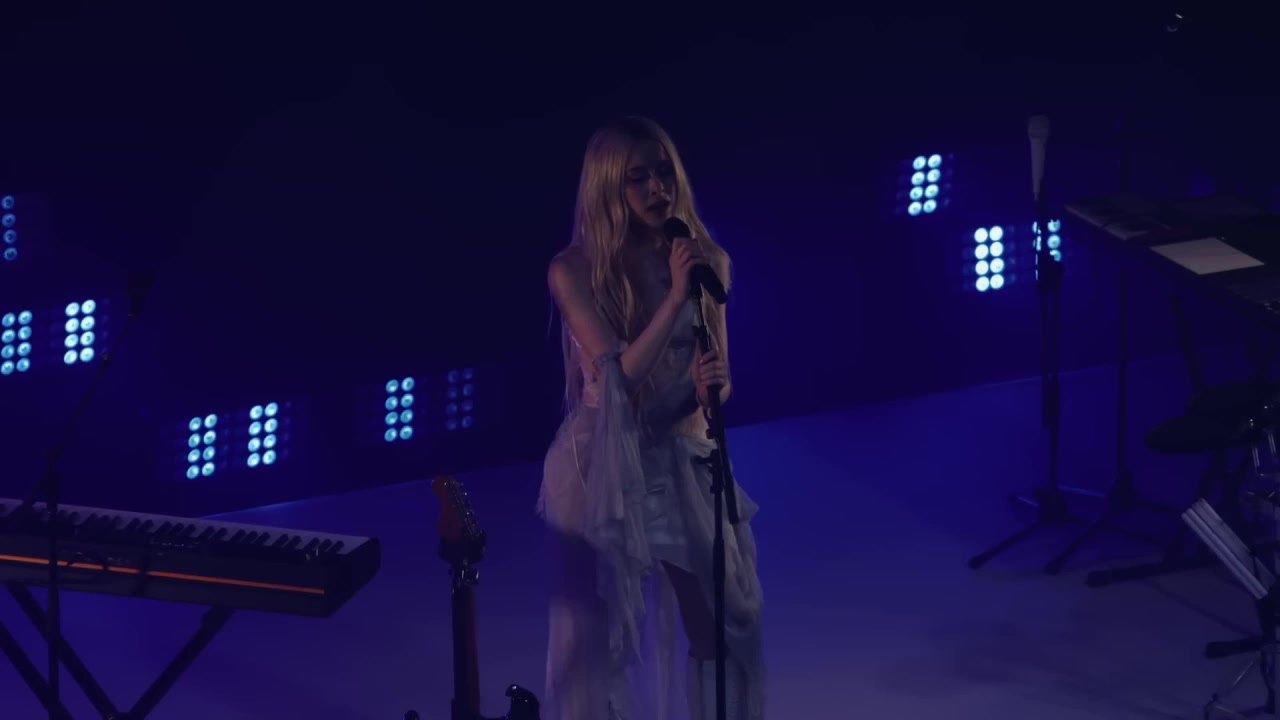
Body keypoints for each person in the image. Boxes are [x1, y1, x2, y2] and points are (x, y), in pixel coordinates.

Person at [536, 116, 765, 720]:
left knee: (726, 621)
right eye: (637, 177)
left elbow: (720, 380)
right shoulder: (574, 270)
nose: (657, 188)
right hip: (605, 469)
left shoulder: (705, 259)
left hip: (683, 458)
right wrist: (674, 298)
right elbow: (618, 379)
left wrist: (711, 388)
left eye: (664, 172)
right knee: (598, 640)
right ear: (609, 186)